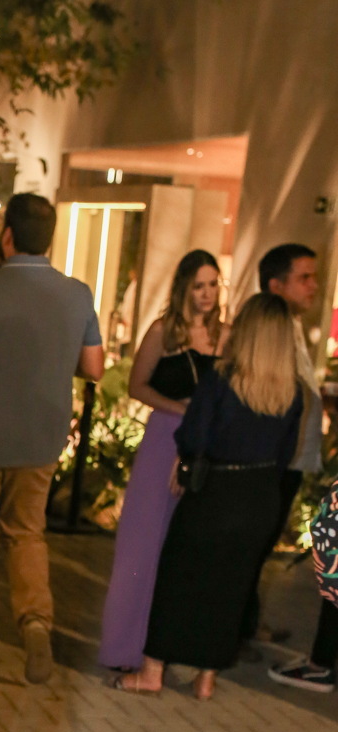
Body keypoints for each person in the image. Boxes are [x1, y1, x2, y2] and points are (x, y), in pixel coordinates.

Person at [118, 294, 303, 700]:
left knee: (178, 576)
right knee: (232, 586)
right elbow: (286, 452)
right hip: (260, 495)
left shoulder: (221, 377)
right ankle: (206, 678)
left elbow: (195, 434)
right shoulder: (292, 392)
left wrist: (186, 460)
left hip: (216, 490)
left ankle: (152, 671)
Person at [0, 191, 104, 683]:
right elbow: (94, 368)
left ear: (7, 236)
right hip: (43, 436)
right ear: (50, 239)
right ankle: (35, 624)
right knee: (27, 532)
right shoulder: (78, 294)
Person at [99, 250, 225, 672]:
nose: (207, 293)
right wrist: (181, 409)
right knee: (143, 542)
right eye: (199, 285)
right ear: (184, 287)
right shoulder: (163, 331)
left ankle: (167, 648)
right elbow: (137, 386)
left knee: (185, 548)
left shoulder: (225, 337)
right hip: (162, 440)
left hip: (205, 446)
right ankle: (126, 647)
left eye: (213, 284)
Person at [241, 243, 321, 654]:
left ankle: (246, 622)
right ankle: (235, 629)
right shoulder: (267, 333)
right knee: (252, 543)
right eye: (304, 278)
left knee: (263, 542)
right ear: (276, 285)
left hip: (291, 457)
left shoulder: (293, 327)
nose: (314, 286)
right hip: (273, 457)